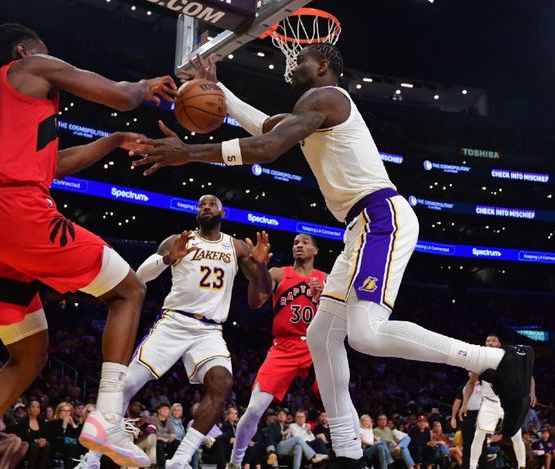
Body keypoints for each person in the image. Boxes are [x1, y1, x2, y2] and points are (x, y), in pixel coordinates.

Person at [129, 49, 535, 469]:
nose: (292, 66)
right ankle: (348, 453)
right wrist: (222, 93)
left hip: (381, 218)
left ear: (323, 67)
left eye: (300, 59)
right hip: (360, 227)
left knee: (365, 333)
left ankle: (496, 360)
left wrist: (189, 152)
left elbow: (267, 147)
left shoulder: (327, 98)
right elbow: (266, 127)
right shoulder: (310, 112)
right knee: (321, 335)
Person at [0, 22, 176, 469]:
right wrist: (144, 86)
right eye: (44, 50)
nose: (51, 58)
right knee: (129, 291)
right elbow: (121, 97)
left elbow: (51, 165)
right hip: (17, 213)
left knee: (27, 357)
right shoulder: (31, 67)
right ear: (24, 51)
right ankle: (107, 417)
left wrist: (113, 141)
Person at [77, 194, 272, 469]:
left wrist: (261, 266)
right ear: (197, 212)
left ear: (223, 212)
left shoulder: (236, 246)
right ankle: (91, 458)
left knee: (223, 383)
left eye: (212, 204)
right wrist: (169, 258)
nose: (206, 207)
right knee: (128, 383)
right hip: (175, 322)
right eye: (201, 204)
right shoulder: (179, 240)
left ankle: (179, 460)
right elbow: (140, 275)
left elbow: (261, 294)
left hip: (209, 331)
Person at [228, 234, 325, 469]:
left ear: (315, 250)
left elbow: (340, 318)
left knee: (339, 402)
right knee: (254, 409)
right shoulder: (278, 274)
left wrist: (322, 298)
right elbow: (254, 302)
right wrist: (259, 268)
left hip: (315, 348)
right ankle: (235, 462)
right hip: (283, 347)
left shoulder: (326, 279)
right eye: (295, 243)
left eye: (305, 242)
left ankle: (351, 458)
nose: (299, 245)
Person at [461, 334, 537, 469]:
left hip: (508, 402)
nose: (490, 342)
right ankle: (472, 466)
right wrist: (465, 403)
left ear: (499, 344)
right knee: (479, 435)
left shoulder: (509, 357)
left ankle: (522, 465)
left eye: (493, 340)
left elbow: (528, 376)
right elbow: (471, 383)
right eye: (488, 341)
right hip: (489, 403)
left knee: (516, 436)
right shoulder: (481, 360)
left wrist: (532, 393)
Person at [452, 374, 486, 469]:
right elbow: (457, 402)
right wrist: (453, 417)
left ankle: (482, 466)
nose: (471, 373)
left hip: (481, 415)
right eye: (470, 371)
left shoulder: (484, 385)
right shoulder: (463, 386)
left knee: (482, 444)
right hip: (467, 415)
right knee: (467, 444)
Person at [14, 400, 52, 469]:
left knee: (47, 445)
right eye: (33, 406)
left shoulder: (42, 421)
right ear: (28, 409)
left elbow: (46, 435)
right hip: (27, 447)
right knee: (34, 445)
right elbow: (21, 438)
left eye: (38, 407)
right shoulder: (23, 422)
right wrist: (36, 441)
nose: (35, 409)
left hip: (40, 447)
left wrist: (43, 440)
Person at [48, 401, 81, 468]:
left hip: (71, 446)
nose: (66, 413)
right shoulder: (54, 422)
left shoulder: (73, 423)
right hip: (57, 445)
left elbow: (79, 438)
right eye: (64, 410)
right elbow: (56, 438)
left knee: (76, 448)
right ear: (59, 412)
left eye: (68, 411)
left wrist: (74, 425)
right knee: (73, 447)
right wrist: (64, 425)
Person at [152, 401, 178, 468]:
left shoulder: (169, 420)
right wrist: (168, 436)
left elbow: (174, 434)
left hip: (166, 442)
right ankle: (162, 466)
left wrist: (166, 439)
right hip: (154, 442)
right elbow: (155, 433)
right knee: (159, 442)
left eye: (167, 409)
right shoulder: (153, 419)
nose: (166, 410)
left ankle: (172, 464)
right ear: (158, 411)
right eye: (163, 409)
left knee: (176, 442)